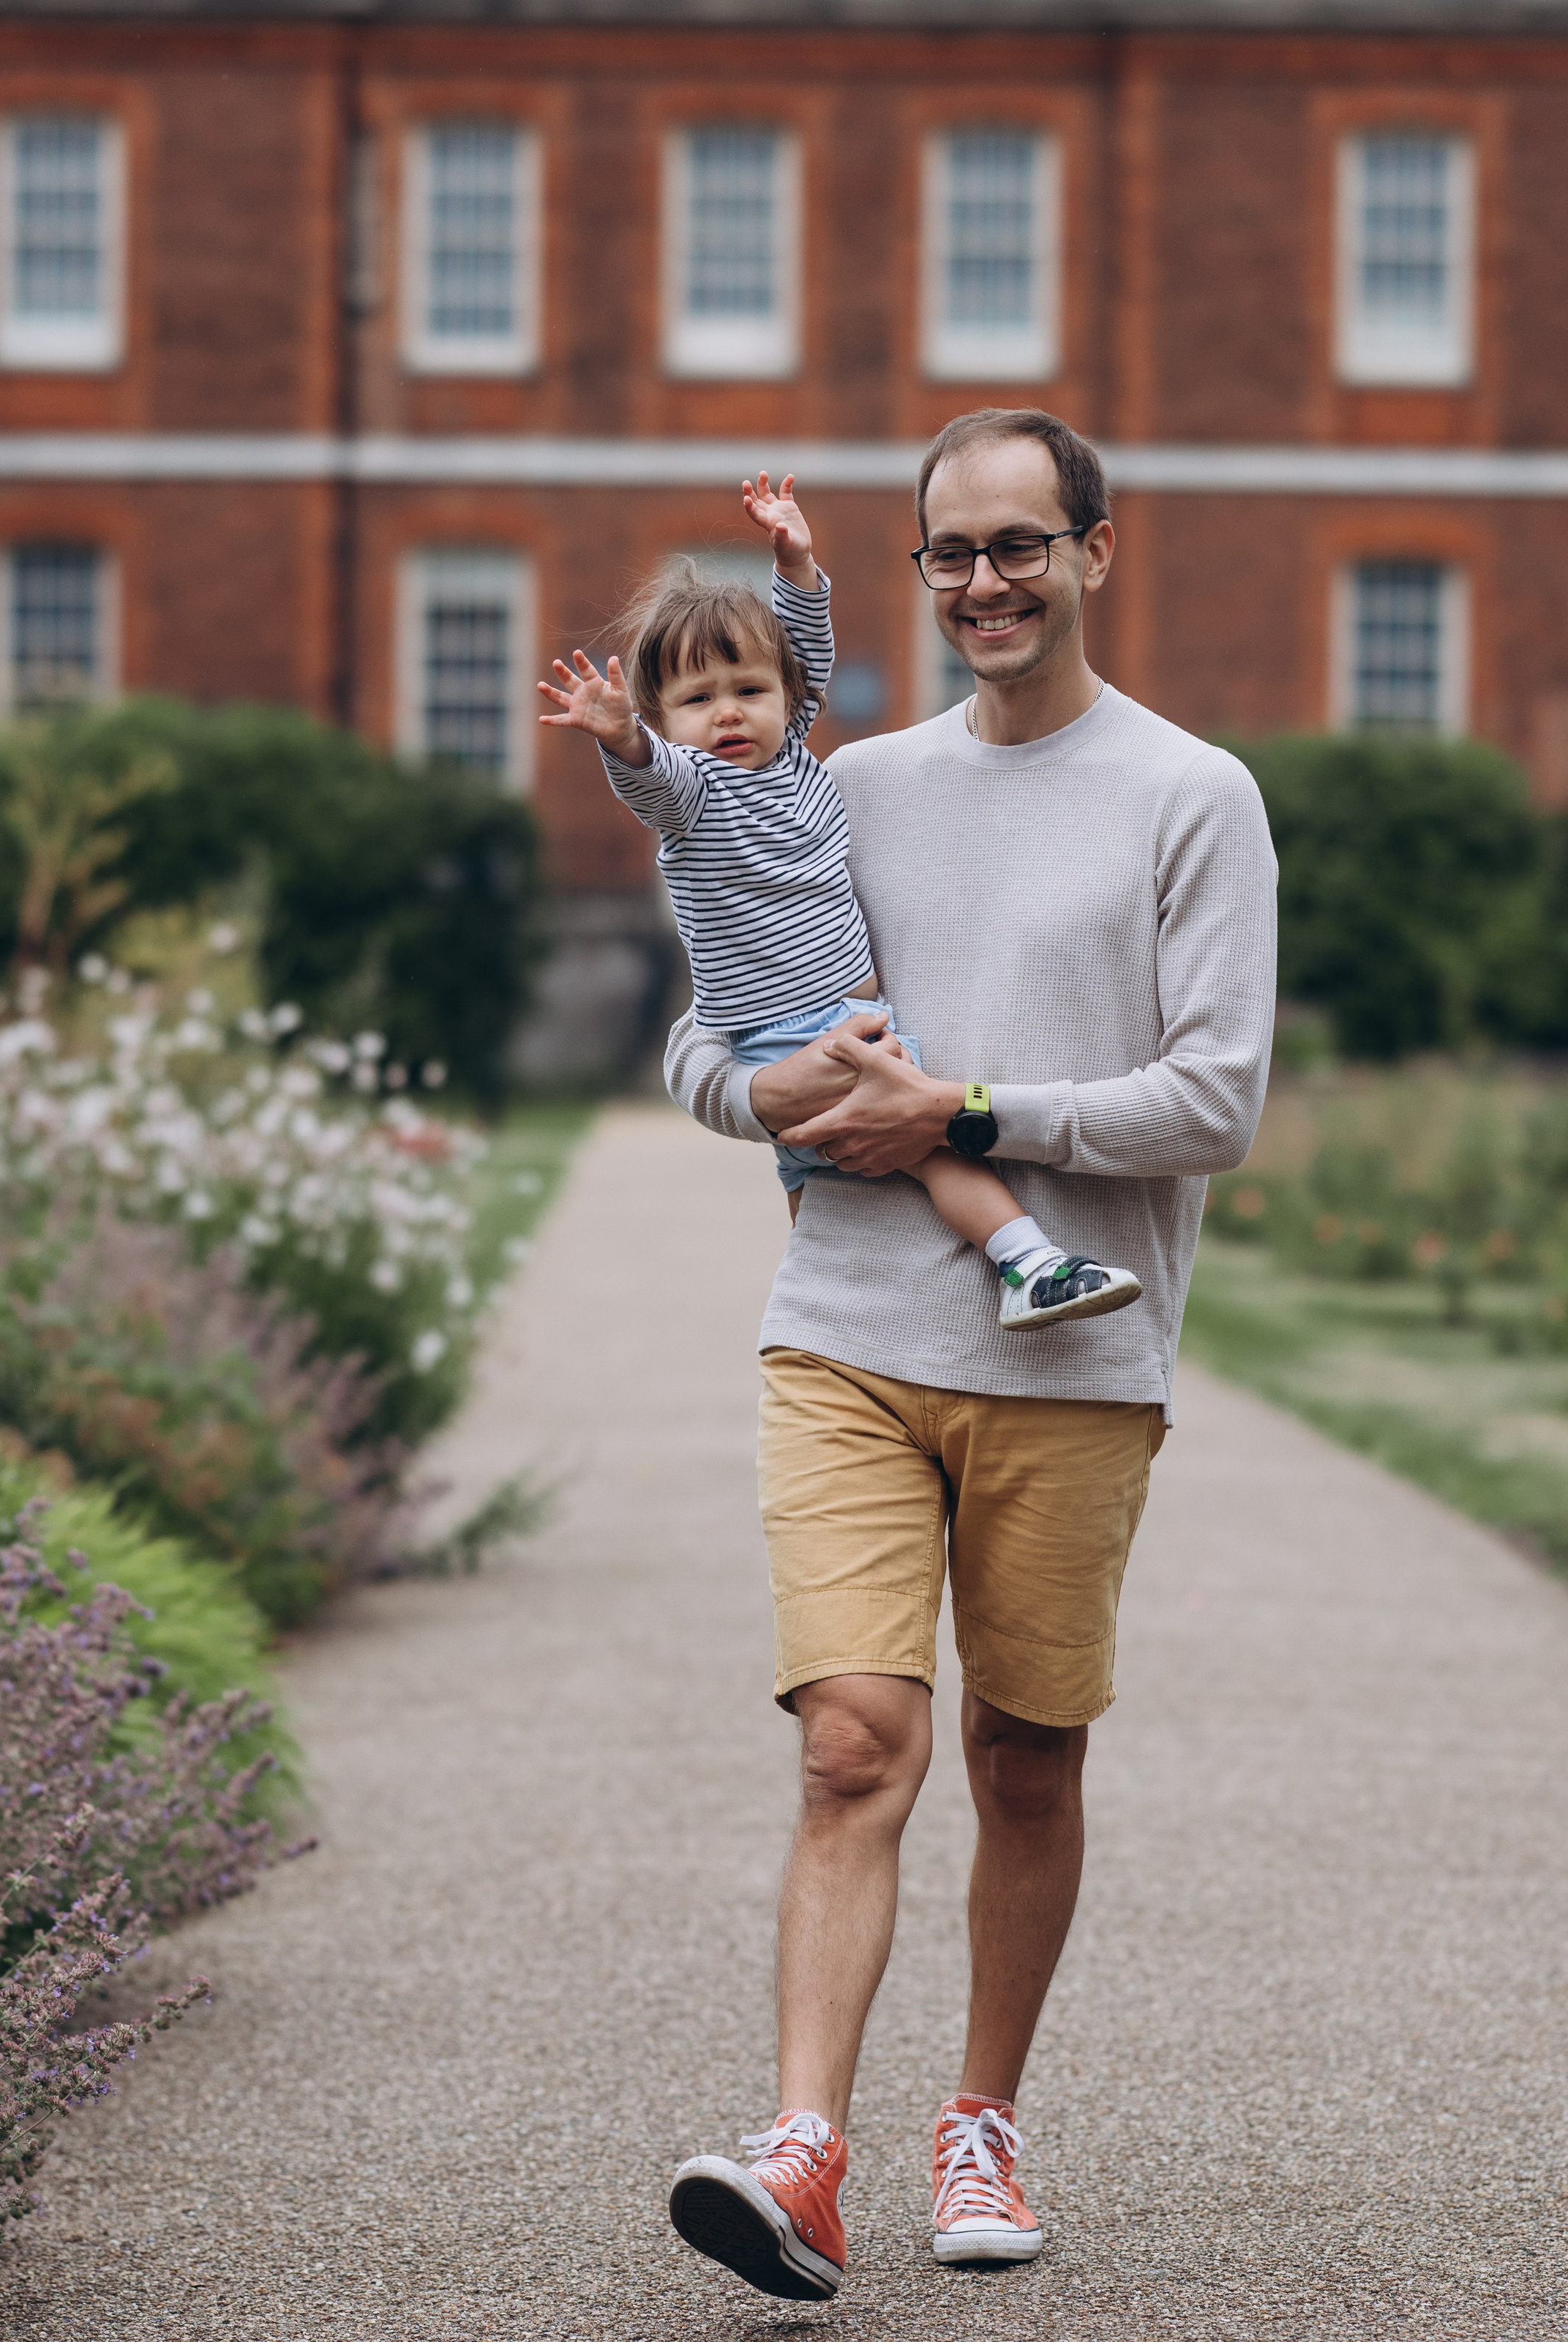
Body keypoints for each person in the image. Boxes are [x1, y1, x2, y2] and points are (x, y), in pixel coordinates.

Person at [659, 408, 1278, 2301]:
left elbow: (1218, 1097)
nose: (987, 583)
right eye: (952, 554)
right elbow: (711, 1033)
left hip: (1075, 1359)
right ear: (917, 576)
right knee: (856, 1746)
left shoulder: (1194, 794)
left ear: (1100, 551)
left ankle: (981, 2117)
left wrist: (974, 1114)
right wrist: (767, 1092)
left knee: (1023, 1757)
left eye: (1022, 545)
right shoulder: (855, 783)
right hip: (843, 1335)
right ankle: (804, 2154)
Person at [536, 471, 1143, 1334]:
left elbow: (805, 650)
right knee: (934, 1146)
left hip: (832, 1017)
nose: (728, 716)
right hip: (800, 1028)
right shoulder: (694, 791)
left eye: (748, 690)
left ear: (786, 697)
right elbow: (649, 774)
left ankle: (830, 1332)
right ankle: (1031, 1262)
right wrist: (623, 735)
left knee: (815, 1201)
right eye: (696, 702)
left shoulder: (790, 756)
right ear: (666, 720)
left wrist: (796, 559)